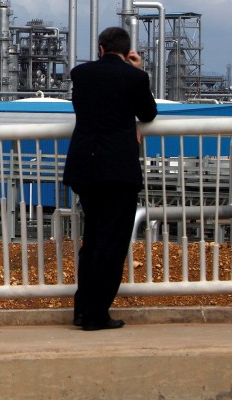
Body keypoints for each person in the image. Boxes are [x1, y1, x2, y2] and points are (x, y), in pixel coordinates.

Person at [64, 26, 157, 331]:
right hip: (118, 170)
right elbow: (148, 113)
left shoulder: (82, 74)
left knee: (92, 240)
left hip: (85, 167)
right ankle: (96, 314)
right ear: (126, 50)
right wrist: (136, 69)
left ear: (101, 49)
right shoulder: (135, 77)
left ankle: (82, 310)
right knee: (112, 243)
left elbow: (90, 109)